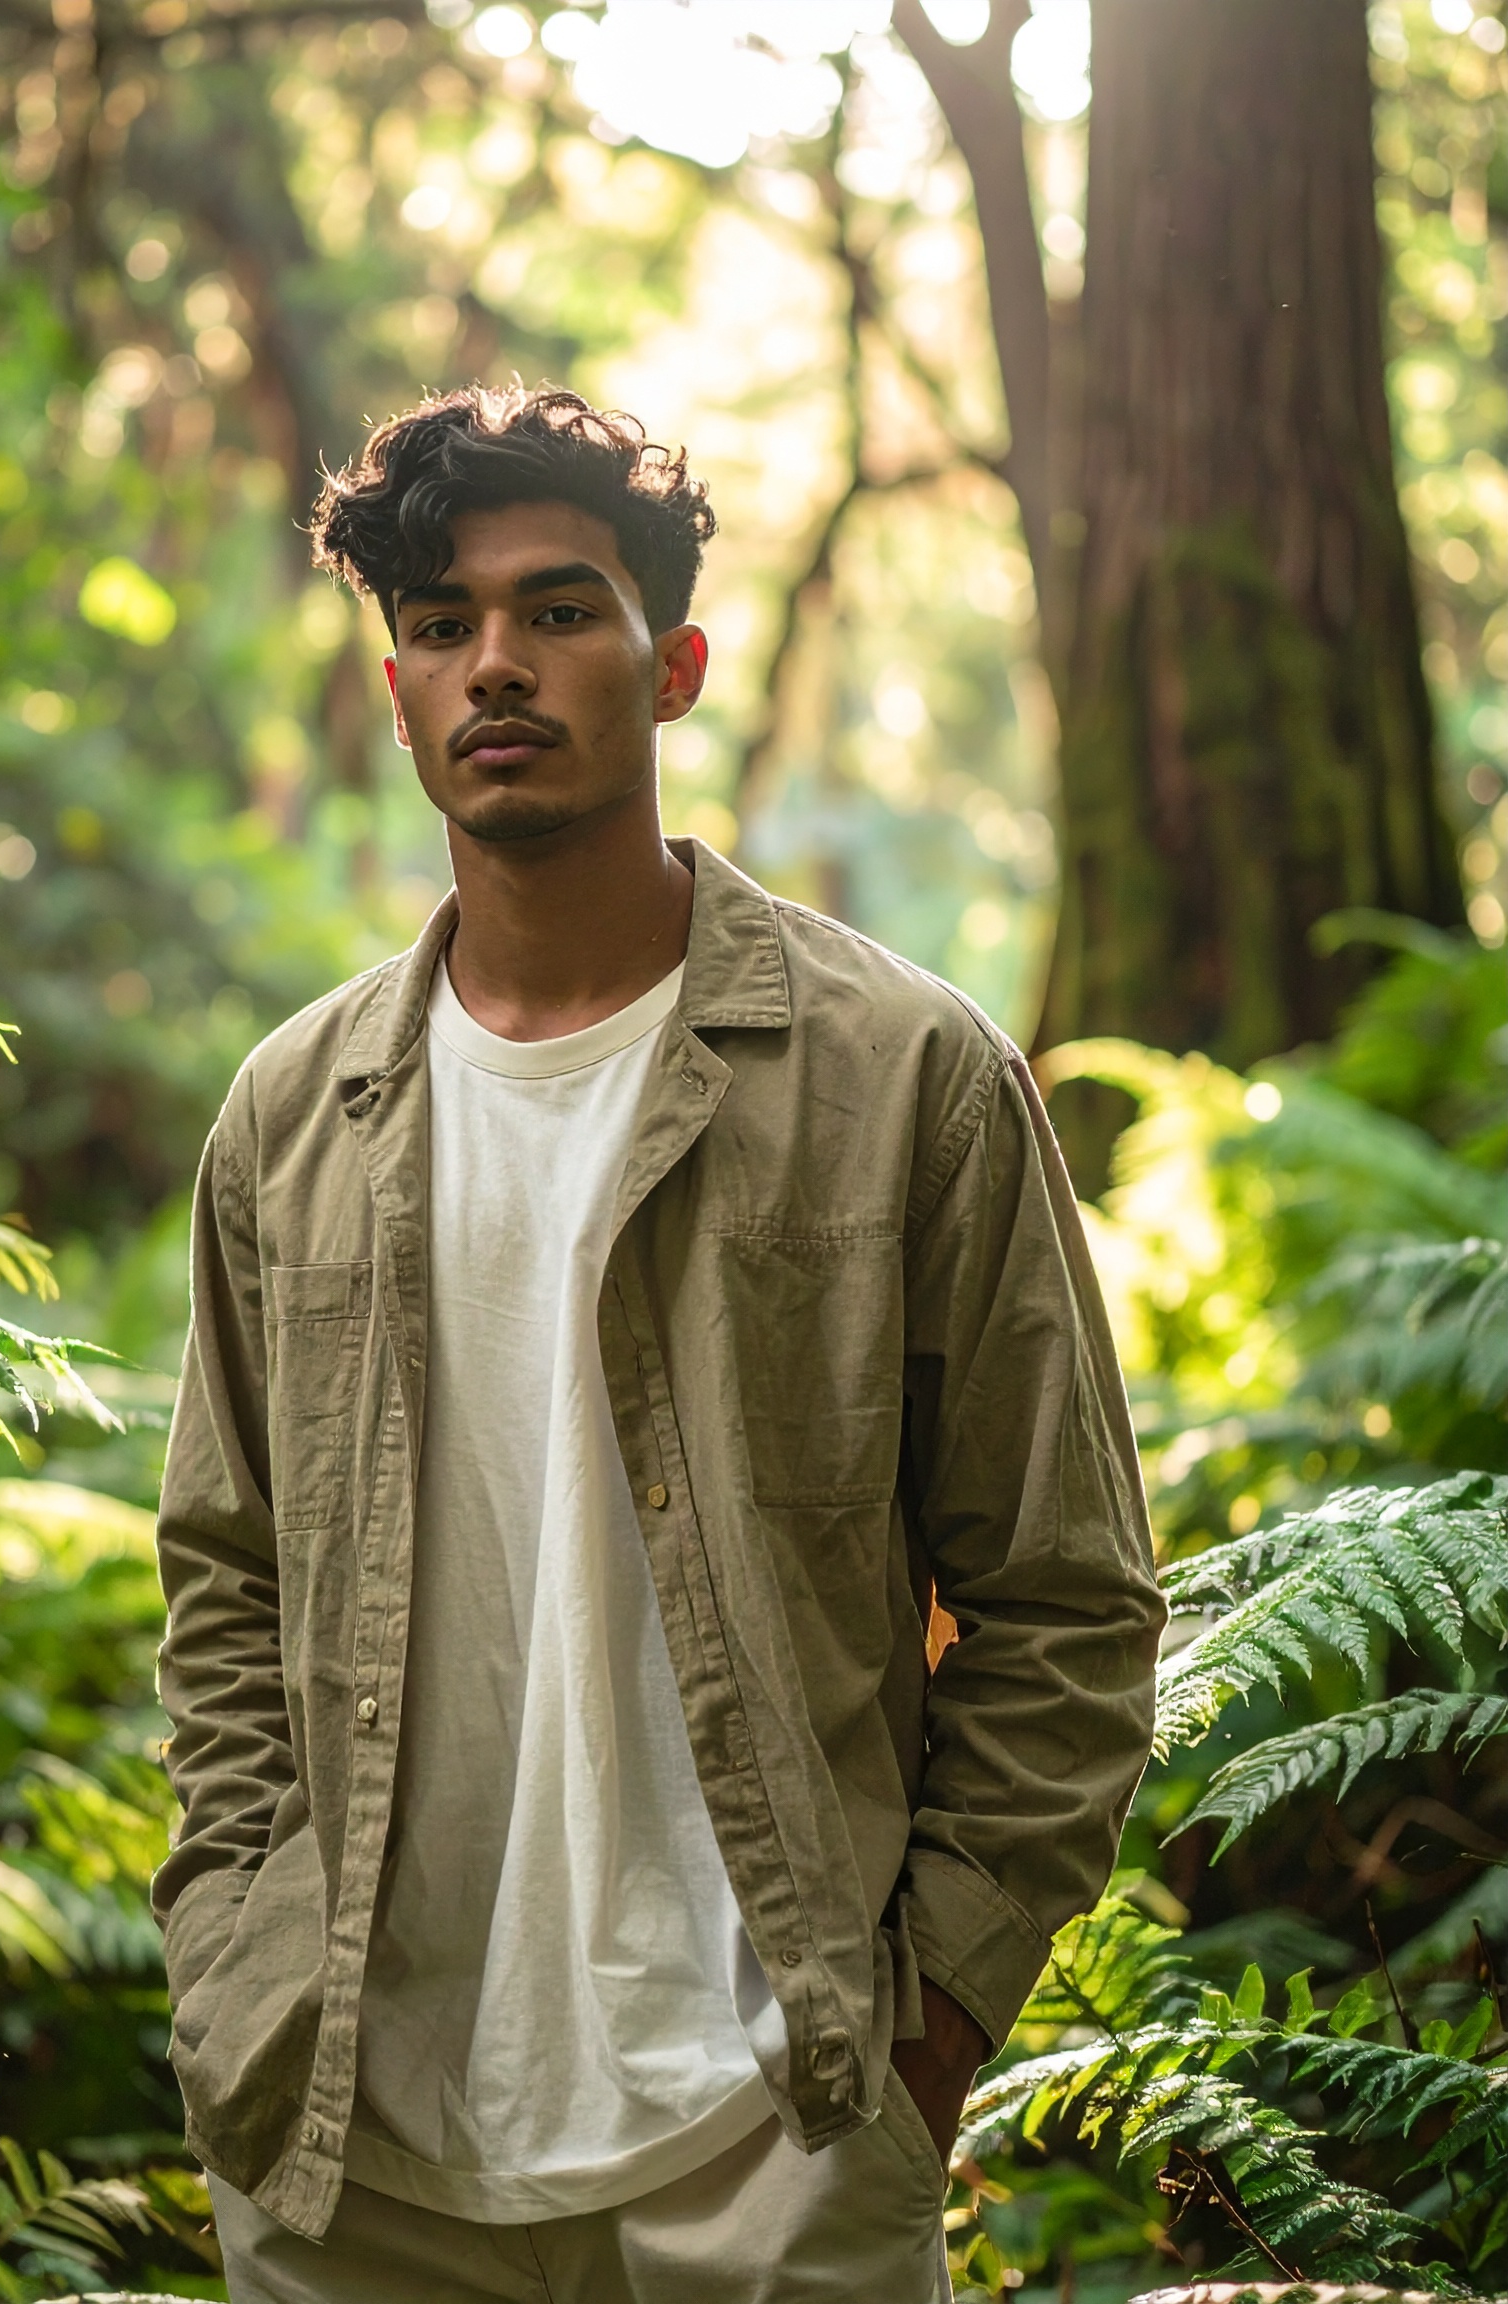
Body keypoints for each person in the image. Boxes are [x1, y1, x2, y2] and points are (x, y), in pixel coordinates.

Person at [152, 385, 1164, 2304]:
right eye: (440, 626)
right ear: (394, 695)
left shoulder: (906, 1080)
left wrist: (927, 2023)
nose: (495, 667)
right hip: (354, 2152)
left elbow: (1068, 1596)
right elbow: (226, 1582)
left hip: (774, 2138)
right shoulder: (292, 1119)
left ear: (674, 664)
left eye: (559, 609)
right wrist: (232, 1954)